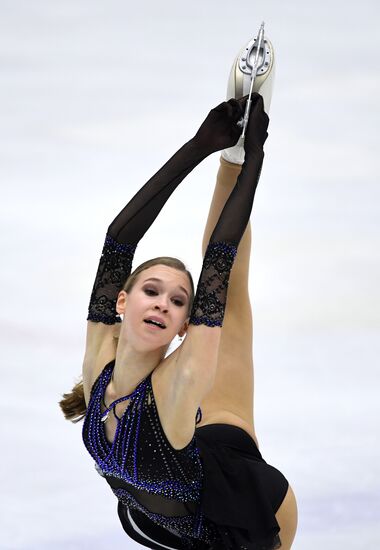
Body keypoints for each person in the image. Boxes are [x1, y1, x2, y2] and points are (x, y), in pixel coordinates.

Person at [59, 34, 298, 550]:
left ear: (184, 325)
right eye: (151, 290)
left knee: (229, 295)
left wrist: (253, 154)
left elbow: (219, 265)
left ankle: (231, 162)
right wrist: (198, 145)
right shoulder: (99, 360)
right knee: (223, 316)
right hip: (175, 502)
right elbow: (119, 240)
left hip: (239, 520)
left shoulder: (177, 383)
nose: (163, 303)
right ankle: (226, 156)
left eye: (178, 301)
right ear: (121, 303)